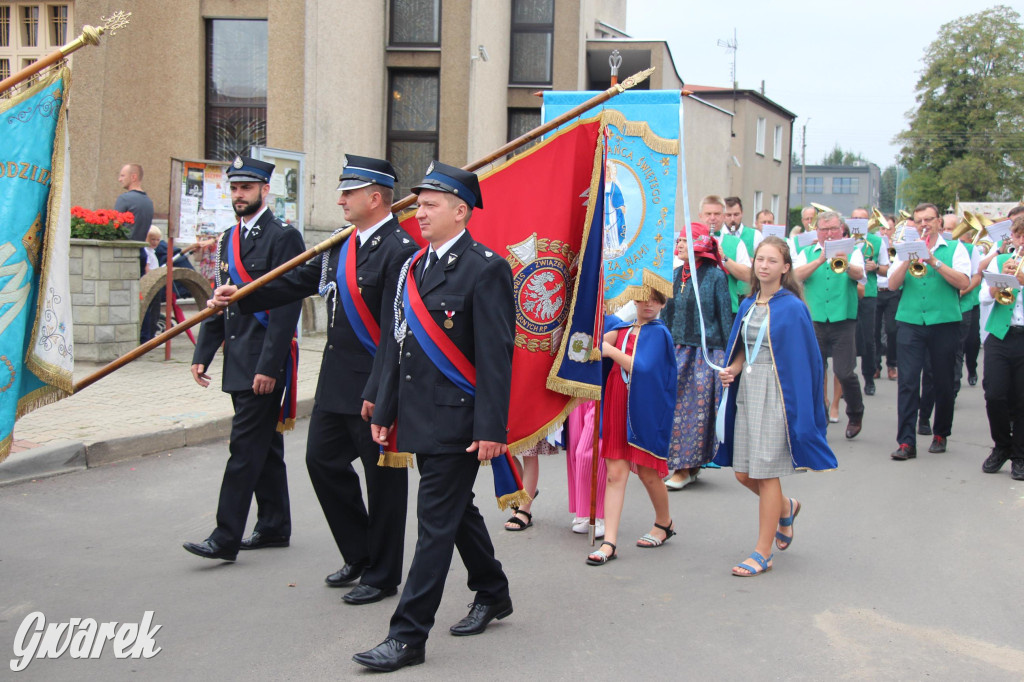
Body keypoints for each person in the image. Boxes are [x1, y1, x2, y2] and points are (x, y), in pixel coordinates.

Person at [209, 156, 415, 604]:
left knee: (383, 484)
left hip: (372, 387)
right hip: (335, 383)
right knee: (321, 463)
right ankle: (359, 553)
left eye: (349, 192)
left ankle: (382, 574)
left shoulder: (400, 249)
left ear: (375, 198)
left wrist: (382, 392)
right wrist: (240, 296)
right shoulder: (343, 245)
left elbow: (396, 329)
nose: (340, 199)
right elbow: (298, 281)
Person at [355, 162, 514, 673]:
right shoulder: (412, 268)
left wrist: (492, 428)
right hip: (419, 416)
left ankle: (407, 636)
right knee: (452, 512)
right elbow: (394, 345)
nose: (418, 212)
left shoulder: (486, 267)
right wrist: (384, 406)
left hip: (458, 422)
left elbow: (496, 356)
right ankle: (492, 589)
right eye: (418, 204)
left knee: (433, 525)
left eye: (429, 204)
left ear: (460, 211)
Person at [183, 156, 305, 562]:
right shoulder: (225, 240)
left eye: (247, 188)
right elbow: (222, 301)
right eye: (234, 188)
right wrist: (204, 352)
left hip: (262, 362)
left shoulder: (283, 237)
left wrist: (270, 367)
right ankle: (273, 526)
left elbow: (287, 305)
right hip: (237, 357)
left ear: (264, 191)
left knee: (244, 448)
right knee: (264, 446)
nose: (239, 195)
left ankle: (225, 537)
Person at [715, 236, 837, 576]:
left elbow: (806, 363)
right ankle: (786, 508)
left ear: (785, 268)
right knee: (743, 472)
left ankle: (762, 552)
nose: (763, 265)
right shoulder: (748, 304)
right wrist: (733, 368)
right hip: (749, 391)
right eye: (760, 259)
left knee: (766, 473)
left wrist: (800, 411)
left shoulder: (793, 308)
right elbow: (742, 346)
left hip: (777, 393)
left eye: (771, 260)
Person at [586, 292, 678, 566]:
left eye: (655, 299)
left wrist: (611, 350)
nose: (648, 304)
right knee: (615, 474)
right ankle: (609, 543)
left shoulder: (660, 334)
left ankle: (664, 522)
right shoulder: (621, 328)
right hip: (616, 402)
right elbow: (594, 343)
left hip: (644, 407)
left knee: (649, 474)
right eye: (642, 298)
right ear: (634, 300)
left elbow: (644, 367)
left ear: (663, 303)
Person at [888, 203, 971, 460]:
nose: (924, 224)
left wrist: (933, 260)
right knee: (908, 382)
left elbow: (964, 282)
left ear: (938, 223)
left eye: (929, 220)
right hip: (911, 322)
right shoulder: (905, 248)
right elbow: (892, 285)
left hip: (944, 322)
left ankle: (940, 433)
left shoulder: (955, 249)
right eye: (919, 220)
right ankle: (906, 442)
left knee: (943, 381)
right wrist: (907, 260)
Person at [662, 223, 732, 489]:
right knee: (672, 407)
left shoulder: (715, 277)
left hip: (705, 353)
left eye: (684, 241)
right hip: (675, 350)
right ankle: (681, 465)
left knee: (696, 411)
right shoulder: (674, 274)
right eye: (678, 240)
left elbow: (725, 317)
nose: (678, 245)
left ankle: (686, 468)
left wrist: (727, 357)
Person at [794, 211, 866, 439]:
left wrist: (843, 262)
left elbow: (859, 275)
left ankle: (855, 412)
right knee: (815, 371)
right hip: (814, 319)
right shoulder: (807, 252)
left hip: (843, 318)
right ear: (817, 231)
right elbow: (795, 277)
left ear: (842, 229)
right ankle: (821, 415)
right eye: (824, 230)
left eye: (833, 229)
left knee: (844, 372)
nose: (829, 233)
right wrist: (819, 260)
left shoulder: (853, 250)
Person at [978, 216, 1024, 480]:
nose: (1022, 242)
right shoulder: (998, 261)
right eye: (1018, 236)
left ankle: (1019, 455)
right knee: (994, 395)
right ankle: (1001, 446)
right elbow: (983, 298)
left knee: (1022, 399)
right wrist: (1002, 280)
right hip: (999, 335)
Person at [849, 207, 889, 396]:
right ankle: (846, 380)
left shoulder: (877, 241)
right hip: (848, 291)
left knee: (868, 337)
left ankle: (869, 378)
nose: (857, 221)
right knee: (847, 336)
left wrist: (876, 267)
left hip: (869, 293)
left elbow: (886, 269)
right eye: (854, 218)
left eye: (861, 219)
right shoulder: (845, 239)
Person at [701, 195, 752, 313]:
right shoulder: (691, 240)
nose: (712, 218)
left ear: (724, 216)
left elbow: (747, 275)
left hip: (728, 309)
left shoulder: (736, 242)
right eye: (708, 214)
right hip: (698, 308)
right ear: (701, 216)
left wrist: (723, 259)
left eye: (717, 214)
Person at [566, 401, 607, 536]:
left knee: (589, 452)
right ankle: (584, 512)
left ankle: (600, 514)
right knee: (574, 450)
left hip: (598, 389)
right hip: (577, 387)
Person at [116, 163, 155, 242]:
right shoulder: (149, 202)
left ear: (133, 177)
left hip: (123, 249)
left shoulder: (124, 199)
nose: (119, 179)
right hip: (140, 250)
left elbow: (114, 226)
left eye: (123, 176)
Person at [722, 196, 764, 262]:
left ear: (742, 213)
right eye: (729, 215)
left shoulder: (756, 235)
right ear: (723, 215)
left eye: (736, 215)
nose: (732, 219)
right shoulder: (718, 235)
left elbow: (762, 260)